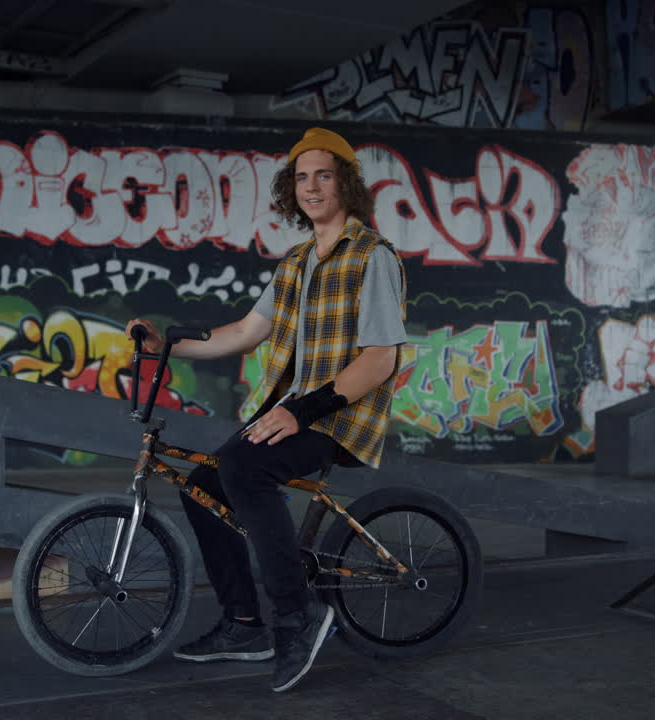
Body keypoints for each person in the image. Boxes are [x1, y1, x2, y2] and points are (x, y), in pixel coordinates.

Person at [125, 127, 406, 692]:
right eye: (301, 178)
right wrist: (164, 347)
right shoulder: (297, 262)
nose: (311, 187)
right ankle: (245, 624)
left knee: (245, 470)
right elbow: (245, 333)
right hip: (296, 409)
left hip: (339, 415)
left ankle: (296, 620)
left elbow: (381, 358)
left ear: (346, 183)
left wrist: (306, 410)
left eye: (323, 175)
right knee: (201, 486)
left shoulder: (372, 257)